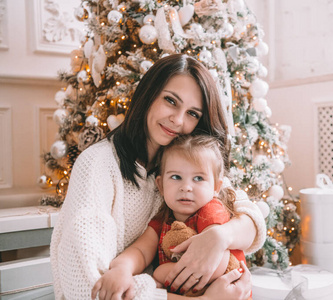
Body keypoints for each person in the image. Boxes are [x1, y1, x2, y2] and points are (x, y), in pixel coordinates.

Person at [50, 54, 266, 300]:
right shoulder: (98, 165)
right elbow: (87, 287)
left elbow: (252, 219)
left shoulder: (187, 162)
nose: (178, 120)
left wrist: (220, 236)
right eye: (171, 101)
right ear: (148, 95)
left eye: (193, 114)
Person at [92, 134, 248, 298]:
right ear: (160, 185)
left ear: (216, 187)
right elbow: (141, 251)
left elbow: (217, 264)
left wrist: (161, 274)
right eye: (176, 177)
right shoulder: (163, 219)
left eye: (198, 178)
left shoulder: (212, 211)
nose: (186, 187)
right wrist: (122, 268)